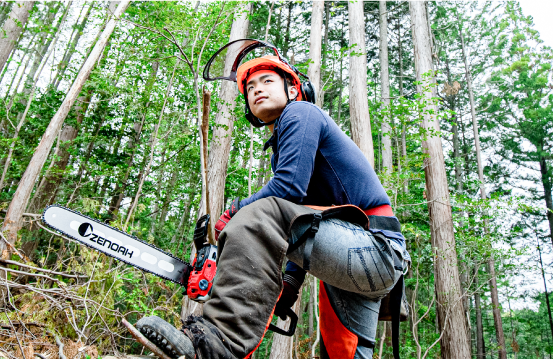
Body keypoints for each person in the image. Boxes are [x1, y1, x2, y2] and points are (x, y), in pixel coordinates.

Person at [136, 43, 409, 359]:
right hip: (362, 259)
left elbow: (287, 191)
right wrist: (288, 286)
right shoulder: (288, 142)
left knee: (259, 212)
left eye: (267, 81)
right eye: (250, 87)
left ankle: (217, 343)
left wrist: (237, 211)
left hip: (373, 248)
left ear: (294, 88)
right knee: (347, 354)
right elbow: (304, 218)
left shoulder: (301, 112)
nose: (256, 90)